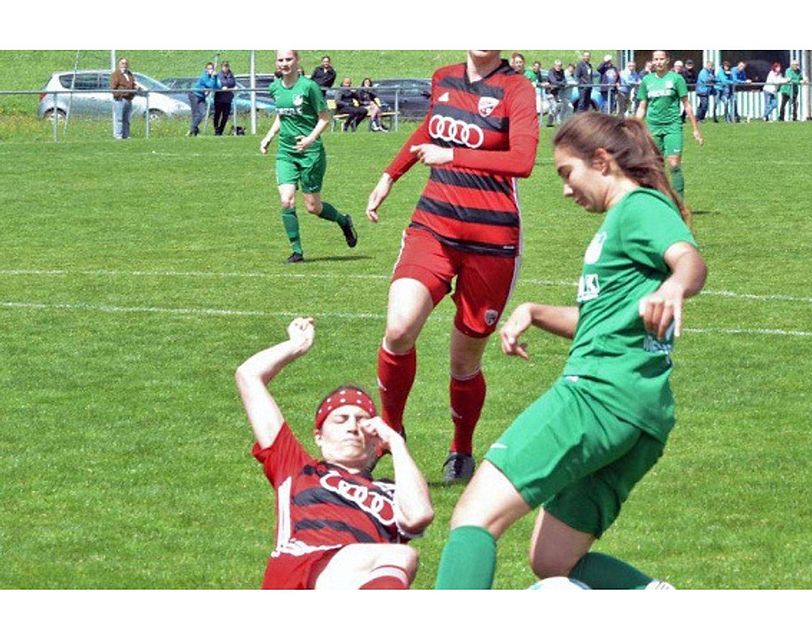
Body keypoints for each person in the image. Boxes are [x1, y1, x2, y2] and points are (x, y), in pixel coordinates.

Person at [432, 112, 708, 590]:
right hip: (639, 414)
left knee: (474, 517)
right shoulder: (627, 218)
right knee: (553, 560)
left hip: (596, 397)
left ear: (601, 161)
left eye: (566, 174)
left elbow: (689, 259)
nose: (564, 190)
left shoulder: (639, 206)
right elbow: (602, 321)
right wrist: (537, 311)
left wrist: (676, 287)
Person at [365, 50, 538, 485]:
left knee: (464, 363)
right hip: (433, 227)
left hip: (492, 241)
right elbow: (430, 128)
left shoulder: (517, 88)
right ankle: (391, 432)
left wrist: (454, 155)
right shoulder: (443, 77)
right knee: (399, 328)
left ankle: (460, 449)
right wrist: (391, 174)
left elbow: (523, 161)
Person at [236, 316, 434, 589]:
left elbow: (419, 516)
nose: (352, 427)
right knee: (401, 555)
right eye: (340, 420)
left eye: (361, 421)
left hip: (356, 578)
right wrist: (295, 345)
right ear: (319, 436)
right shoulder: (296, 466)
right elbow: (248, 376)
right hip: (299, 566)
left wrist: (396, 442)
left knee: (399, 559)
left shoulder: (390, 493)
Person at [260, 50, 358, 264]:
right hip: (286, 152)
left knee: (313, 207)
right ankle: (297, 252)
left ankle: (343, 220)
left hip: (310, 153)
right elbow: (282, 114)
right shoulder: (275, 87)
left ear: (297, 61)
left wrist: (310, 139)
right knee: (286, 201)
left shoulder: (308, 87)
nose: (284, 63)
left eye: (288, 59)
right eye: (280, 60)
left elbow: (325, 117)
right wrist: (268, 136)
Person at [635, 50, 704, 202]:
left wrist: (695, 129)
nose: (658, 62)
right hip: (653, 127)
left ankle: (679, 203)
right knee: (655, 167)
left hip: (673, 126)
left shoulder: (676, 79)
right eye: (655, 59)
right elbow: (642, 107)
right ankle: (658, 201)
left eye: (661, 59)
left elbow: (686, 104)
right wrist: (634, 127)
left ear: (667, 60)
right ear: (652, 61)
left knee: (674, 164)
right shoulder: (647, 81)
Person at [109, 57, 139, 140]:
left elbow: (132, 84)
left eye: (126, 63)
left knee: (127, 119)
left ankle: (126, 135)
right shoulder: (116, 74)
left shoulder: (129, 74)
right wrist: (118, 96)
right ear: (119, 64)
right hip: (120, 99)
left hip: (129, 99)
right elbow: (113, 87)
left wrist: (135, 88)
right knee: (119, 118)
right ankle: (118, 135)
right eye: (122, 63)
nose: (124, 65)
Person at [188, 62, 220, 136]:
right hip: (194, 95)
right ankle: (191, 130)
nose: (210, 70)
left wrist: (215, 77)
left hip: (201, 97)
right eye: (209, 69)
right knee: (196, 115)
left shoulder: (213, 76)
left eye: (211, 68)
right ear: (206, 69)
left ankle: (193, 130)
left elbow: (217, 86)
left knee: (203, 113)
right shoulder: (204, 76)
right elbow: (209, 84)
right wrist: (212, 77)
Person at [213, 60, 237, 136]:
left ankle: (221, 130)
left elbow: (232, 83)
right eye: (224, 66)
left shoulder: (231, 74)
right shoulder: (218, 75)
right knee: (217, 115)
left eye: (226, 66)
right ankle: (216, 129)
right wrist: (224, 86)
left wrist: (227, 86)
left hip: (228, 99)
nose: (225, 68)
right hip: (219, 98)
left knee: (225, 116)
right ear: (222, 67)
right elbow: (219, 83)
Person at [545, 60, 567, 125]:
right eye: (557, 66)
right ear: (554, 65)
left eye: (560, 66)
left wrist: (560, 83)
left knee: (560, 106)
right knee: (554, 106)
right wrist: (561, 83)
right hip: (550, 92)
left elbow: (564, 81)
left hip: (557, 92)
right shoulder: (551, 71)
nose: (558, 67)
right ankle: (550, 122)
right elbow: (553, 81)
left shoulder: (562, 71)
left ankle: (556, 122)